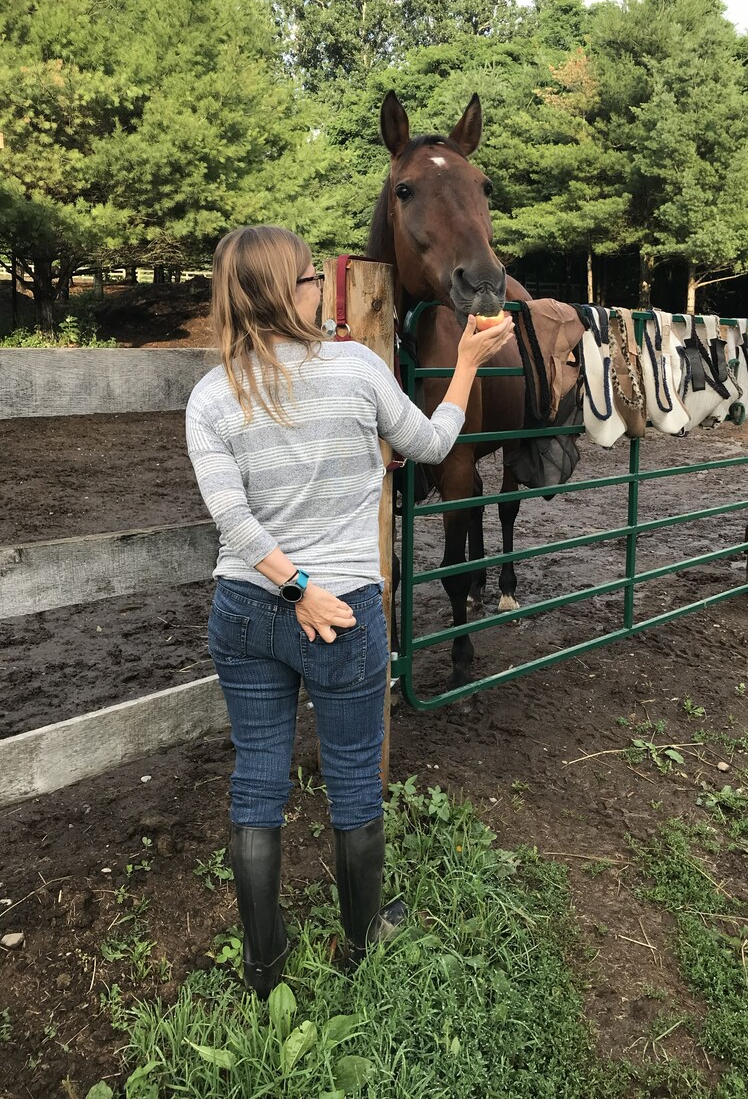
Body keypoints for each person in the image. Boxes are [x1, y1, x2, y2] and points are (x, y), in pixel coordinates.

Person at [185, 224, 513, 997]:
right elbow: (430, 444)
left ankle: (264, 964)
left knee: (257, 781)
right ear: (283, 292)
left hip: (246, 610)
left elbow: (232, 518)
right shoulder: (356, 369)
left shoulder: (212, 396)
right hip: (339, 611)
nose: (320, 293)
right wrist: (466, 364)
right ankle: (363, 940)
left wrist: (288, 584)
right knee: (355, 780)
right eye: (310, 279)